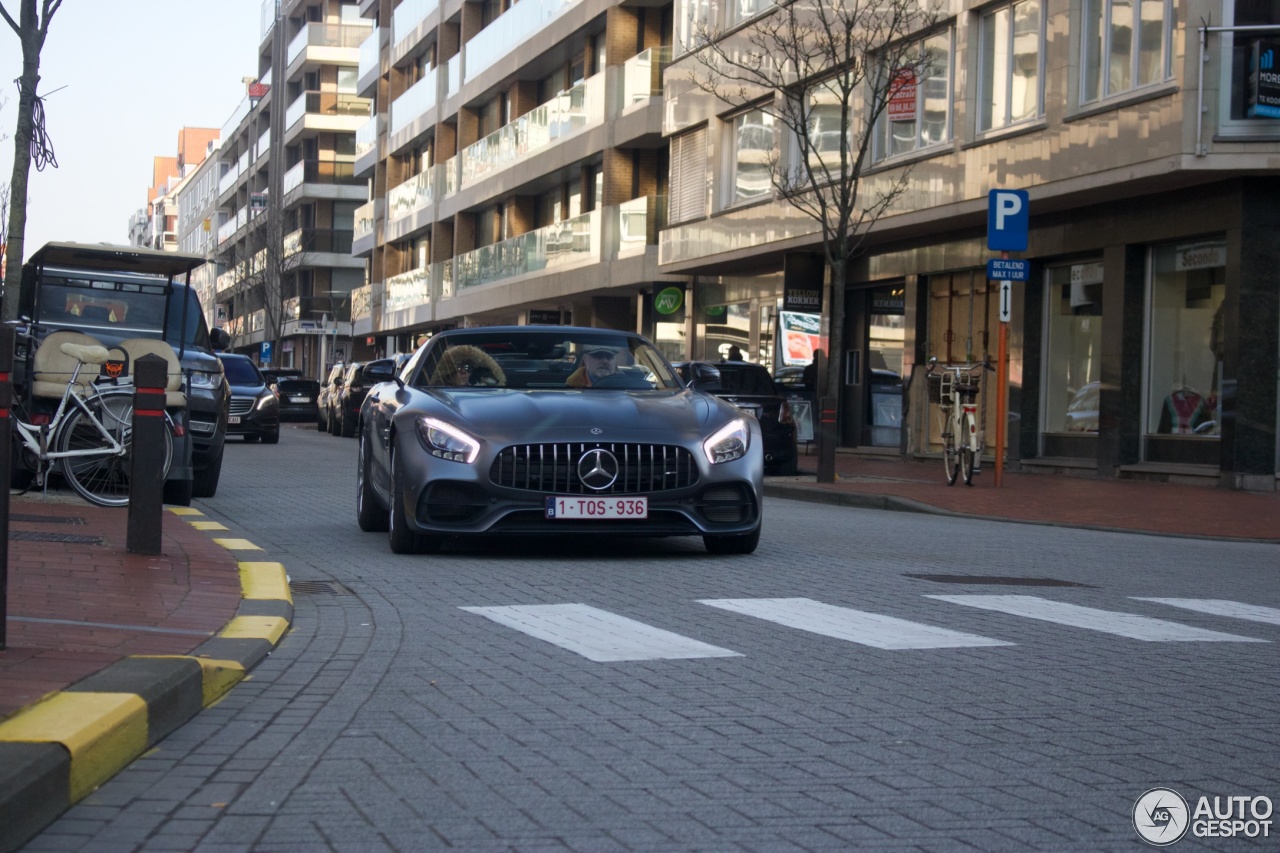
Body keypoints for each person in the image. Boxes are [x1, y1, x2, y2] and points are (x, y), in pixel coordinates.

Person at [429, 345, 505, 386]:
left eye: (468, 367)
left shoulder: (485, 391)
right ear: (449, 373)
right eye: (458, 367)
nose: (463, 372)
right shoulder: (439, 393)